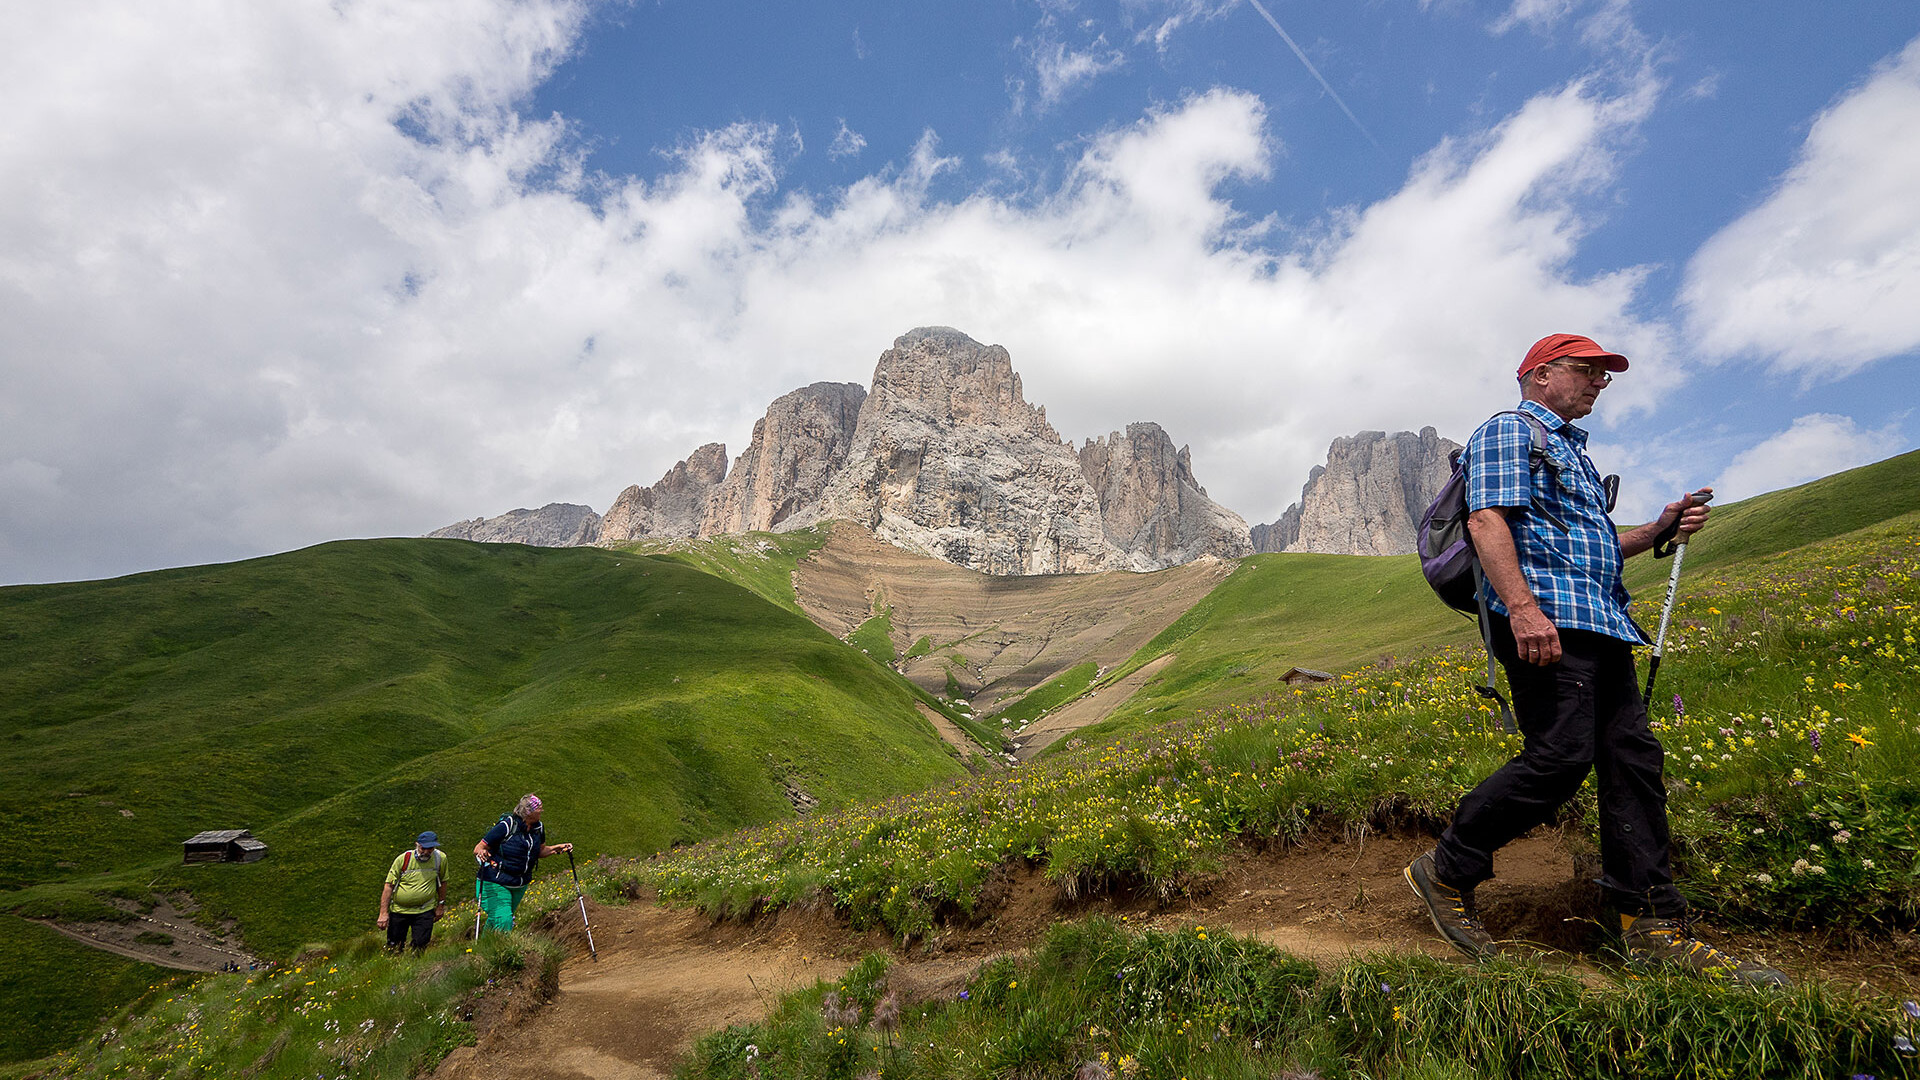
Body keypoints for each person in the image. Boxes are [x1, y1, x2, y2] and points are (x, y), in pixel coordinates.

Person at [1404, 333, 1788, 987]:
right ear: (1541, 373)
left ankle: (1650, 927)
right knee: (1560, 757)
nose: (1599, 383)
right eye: (1589, 371)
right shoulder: (1508, 431)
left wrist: (1658, 530)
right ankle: (1447, 868)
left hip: (1603, 625)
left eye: (1605, 376)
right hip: (1549, 624)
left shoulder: (1575, 457)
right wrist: (1523, 610)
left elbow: (1598, 546)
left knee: (1633, 763)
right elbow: (1487, 522)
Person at [473, 794, 573, 933]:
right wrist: (482, 853)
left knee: (497, 919)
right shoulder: (506, 826)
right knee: (504, 919)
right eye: (539, 808)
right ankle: (501, 952)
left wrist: (557, 848)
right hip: (495, 881)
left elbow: (540, 851)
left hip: (519, 884)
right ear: (528, 811)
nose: (542, 811)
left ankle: (484, 950)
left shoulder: (538, 828)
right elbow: (479, 847)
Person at [378, 831, 447, 953]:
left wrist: (440, 905)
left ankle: (415, 968)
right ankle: (394, 967)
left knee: (420, 946)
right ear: (417, 845)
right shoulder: (403, 859)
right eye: (423, 848)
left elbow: (443, 882)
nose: (426, 852)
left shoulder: (440, 859)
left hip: (425, 910)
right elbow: (388, 886)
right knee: (394, 947)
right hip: (399, 910)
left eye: (430, 849)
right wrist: (383, 913)